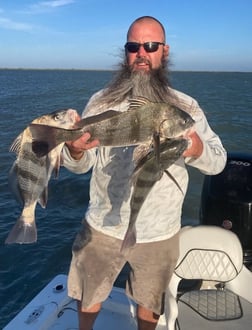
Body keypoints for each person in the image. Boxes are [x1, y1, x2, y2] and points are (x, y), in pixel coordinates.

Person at [62, 16, 227, 330]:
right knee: (88, 296)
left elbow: (218, 162)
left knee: (150, 305)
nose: (141, 53)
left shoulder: (186, 107)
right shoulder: (102, 102)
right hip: (102, 226)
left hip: (160, 233)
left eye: (150, 46)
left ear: (164, 51)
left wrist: (195, 150)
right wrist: (75, 150)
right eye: (133, 46)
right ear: (125, 53)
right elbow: (83, 166)